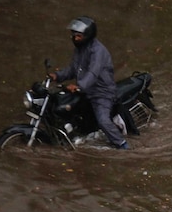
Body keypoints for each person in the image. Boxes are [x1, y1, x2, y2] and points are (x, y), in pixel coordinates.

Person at [49, 16, 129, 150]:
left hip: (101, 92)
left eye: (78, 36)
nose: (75, 39)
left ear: (87, 35)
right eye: (74, 35)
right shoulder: (79, 50)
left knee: (103, 120)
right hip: (85, 90)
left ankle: (122, 145)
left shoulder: (98, 51)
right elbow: (72, 69)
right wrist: (57, 76)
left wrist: (79, 86)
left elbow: (93, 73)